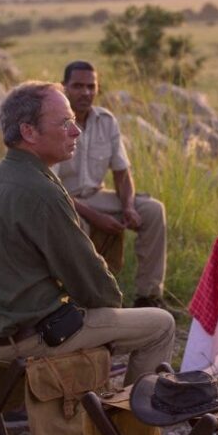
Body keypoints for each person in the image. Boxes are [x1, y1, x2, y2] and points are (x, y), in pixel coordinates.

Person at [0, 81, 176, 386]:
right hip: (26, 339)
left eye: (74, 121)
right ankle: (130, 425)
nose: (76, 131)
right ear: (28, 132)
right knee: (160, 325)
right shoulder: (40, 190)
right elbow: (92, 284)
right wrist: (114, 308)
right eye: (65, 123)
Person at [55, 61, 168, 308]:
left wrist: (128, 206)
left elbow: (122, 171)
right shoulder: (56, 123)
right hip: (64, 201)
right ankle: (85, 302)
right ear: (64, 88)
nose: (85, 92)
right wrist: (95, 217)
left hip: (97, 196)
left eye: (90, 86)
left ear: (97, 88)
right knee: (79, 226)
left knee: (152, 210)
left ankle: (148, 296)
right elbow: (51, 185)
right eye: (77, 86)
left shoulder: (106, 121)